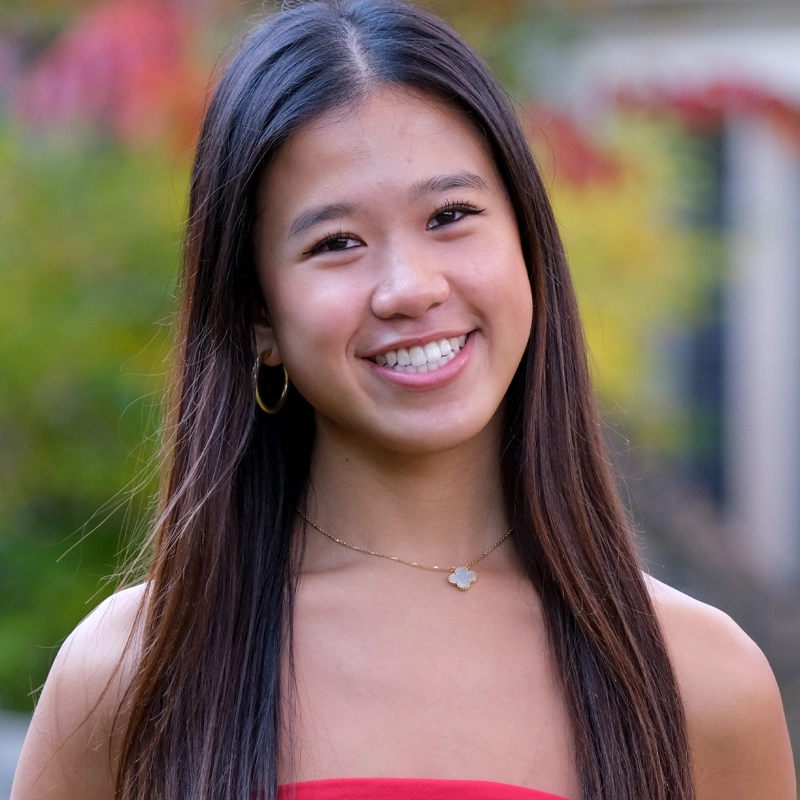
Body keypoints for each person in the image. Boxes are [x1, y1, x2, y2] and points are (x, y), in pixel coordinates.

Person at [11, 1, 796, 799]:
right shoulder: (132, 677)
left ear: (528, 245)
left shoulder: (702, 682)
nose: (409, 288)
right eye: (335, 243)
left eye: (450, 216)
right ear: (258, 316)